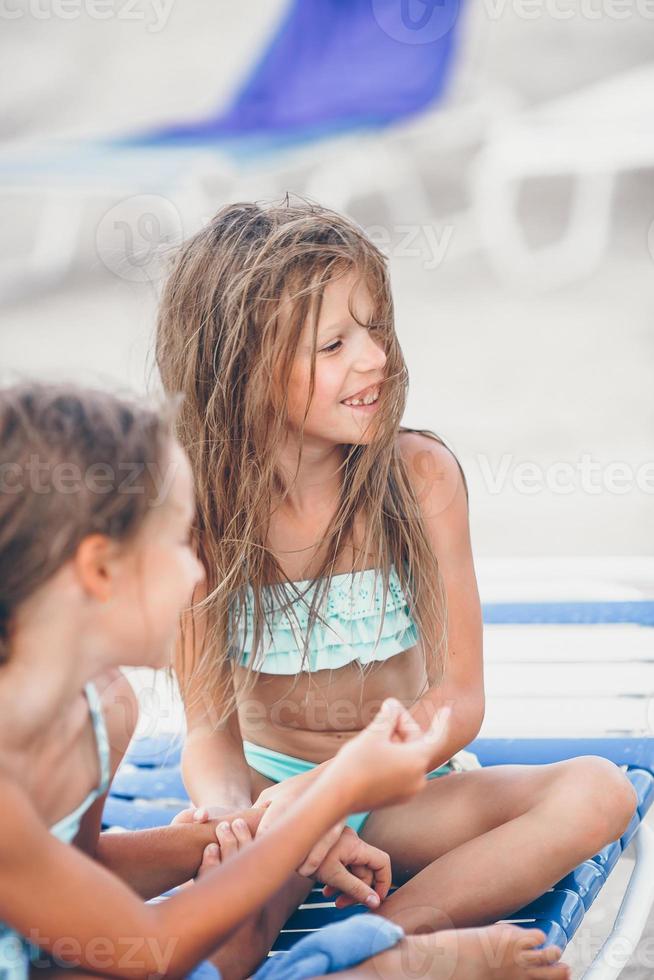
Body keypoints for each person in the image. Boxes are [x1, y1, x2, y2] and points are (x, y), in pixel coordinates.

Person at [155, 199, 637, 973]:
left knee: (599, 794)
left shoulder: (418, 480)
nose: (375, 358)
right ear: (240, 366)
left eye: (375, 329)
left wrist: (341, 790)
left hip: (412, 797)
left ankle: (383, 946)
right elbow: (211, 736)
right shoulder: (199, 524)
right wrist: (232, 815)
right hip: (280, 804)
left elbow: (459, 700)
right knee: (226, 939)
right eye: (336, 343)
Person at [0, 382, 568, 980]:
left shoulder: (103, 709)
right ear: (98, 569)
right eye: (176, 543)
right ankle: (392, 968)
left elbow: (79, 872)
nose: (198, 570)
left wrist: (248, 835)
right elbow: (153, 951)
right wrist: (331, 796)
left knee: (224, 951)